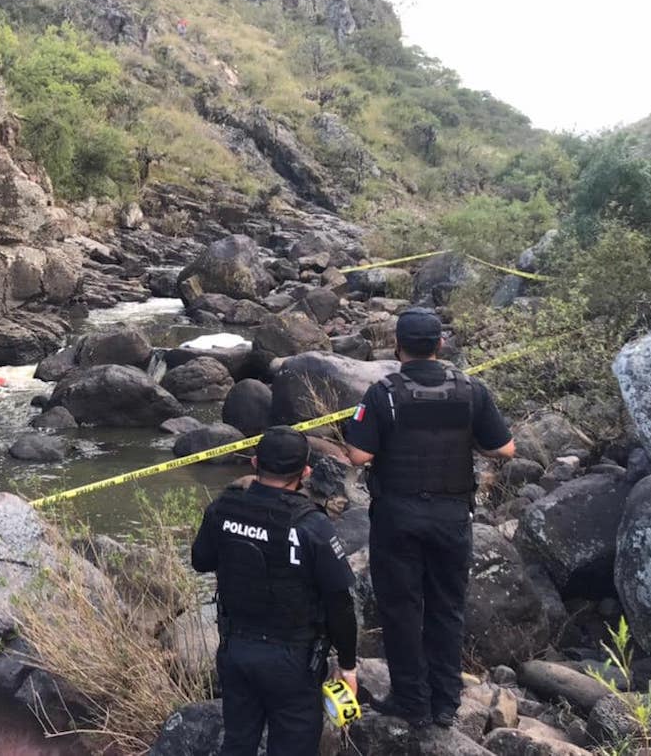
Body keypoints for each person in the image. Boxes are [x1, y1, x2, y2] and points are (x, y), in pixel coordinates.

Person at [343, 307, 516, 730]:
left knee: (401, 609)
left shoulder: (382, 393)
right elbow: (506, 449)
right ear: (440, 345)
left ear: (397, 346)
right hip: (452, 515)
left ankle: (410, 700)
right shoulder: (471, 390)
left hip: (398, 517)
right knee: (446, 609)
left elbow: (359, 455)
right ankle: (444, 703)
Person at [191, 425, 358, 756]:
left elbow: (200, 561)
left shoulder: (224, 508)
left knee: (238, 742)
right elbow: (340, 602)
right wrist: (348, 666)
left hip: (236, 650)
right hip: (292, 659)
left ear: (254, 463)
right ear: (306, 473)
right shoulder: (312, 525)